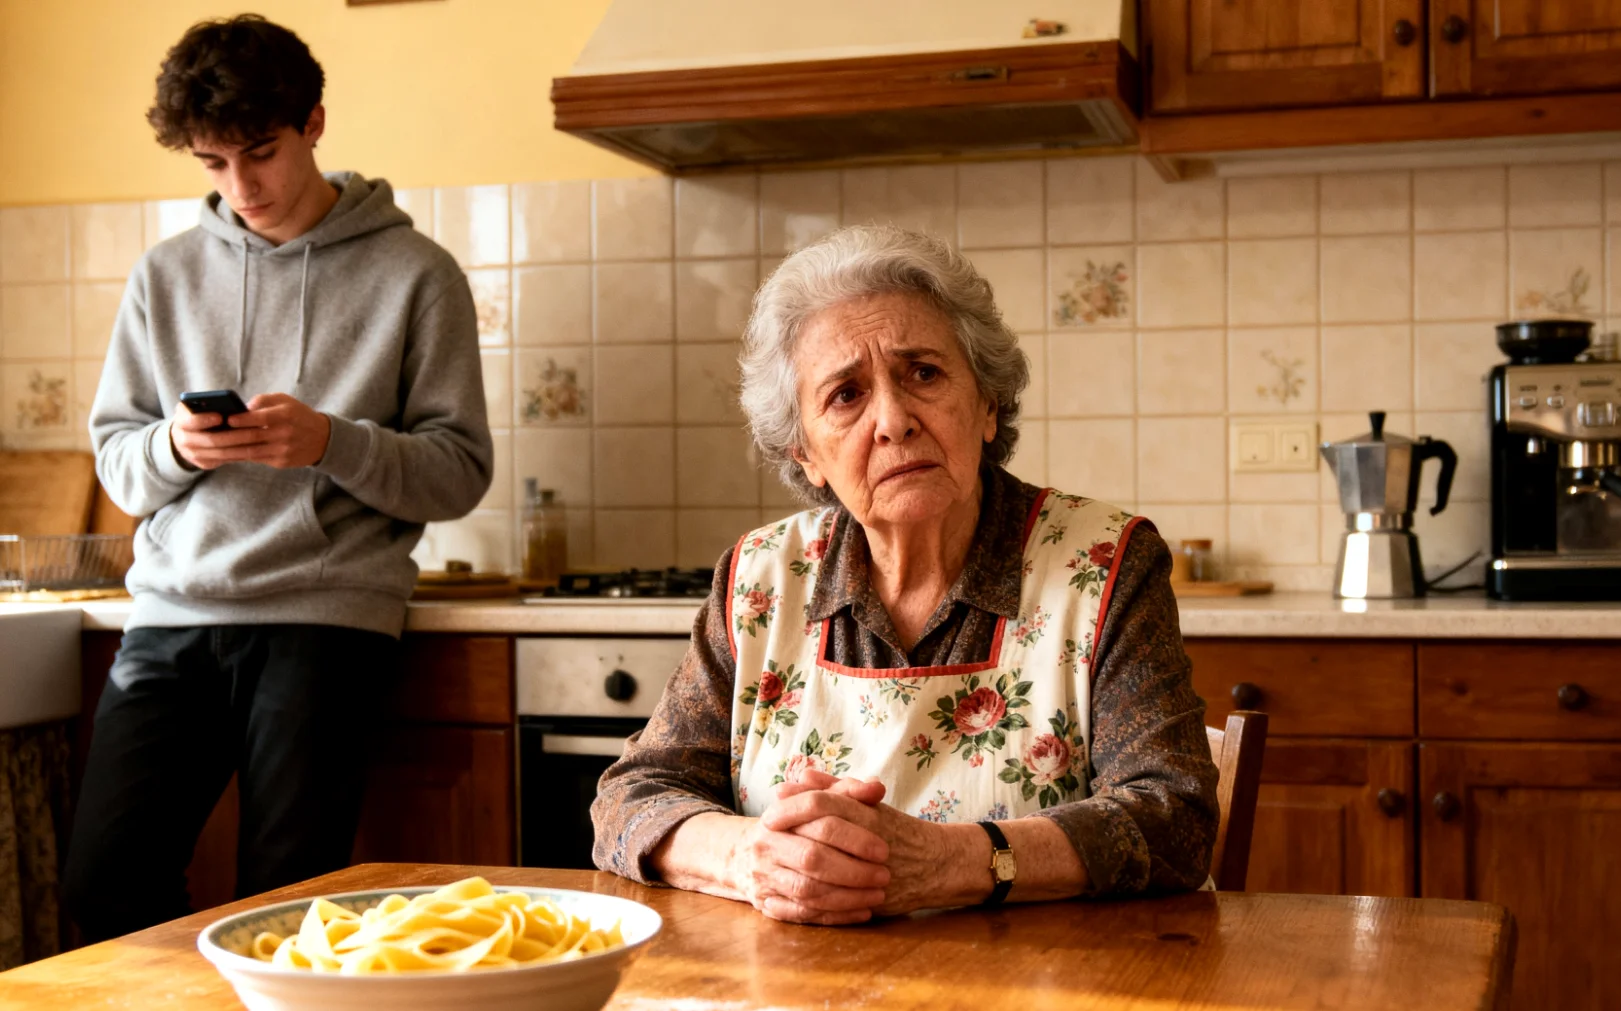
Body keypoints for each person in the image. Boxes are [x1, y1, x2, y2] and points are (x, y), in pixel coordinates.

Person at [593, 225, 1218, 924]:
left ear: (987, 403)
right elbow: (630, 799)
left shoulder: (1106, 564)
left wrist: (949, 862)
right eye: (846, 395)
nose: (893, 419)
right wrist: (755, 858)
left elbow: (1174, 819)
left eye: (923, 372)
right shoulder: (759, 581)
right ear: (806, 453)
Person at [64, 15, 492, 940]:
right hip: (173, 615)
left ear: (316, 122)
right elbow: (119, 466)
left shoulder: (418, 274)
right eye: (213, 163)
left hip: (324, 618)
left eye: (259, 152)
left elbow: (459, 474)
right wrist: (178, 448)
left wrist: (331, 441)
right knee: (102, 890)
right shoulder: (164, 276)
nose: (241, 186)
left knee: (293, 907)